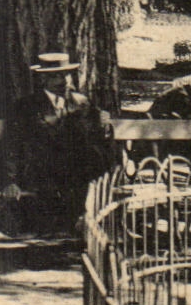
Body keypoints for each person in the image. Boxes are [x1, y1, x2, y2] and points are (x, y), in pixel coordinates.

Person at [6, 52, 114, 234]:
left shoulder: (82, 103)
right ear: (43, 79)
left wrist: (105, 128)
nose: (64, 81)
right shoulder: (26, 107)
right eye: (57, 76)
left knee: (87, 178)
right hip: (41, 175)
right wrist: (11, 181)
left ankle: (81, 225)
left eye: (67, 75)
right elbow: (12, 145)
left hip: (75, 174)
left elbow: (97, 140)